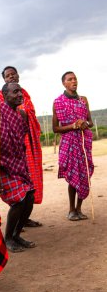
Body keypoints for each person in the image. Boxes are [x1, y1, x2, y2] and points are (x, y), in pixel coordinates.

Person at [0, 82, 36, 253]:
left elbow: (21, 143)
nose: (20, 94)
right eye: (15, 92)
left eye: (20, 91)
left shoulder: (21, 114)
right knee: (19, 200)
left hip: (18, 164)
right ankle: (7, 239)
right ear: (5, 95)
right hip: (0, 166)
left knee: (29, 198)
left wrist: (24, 164)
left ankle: (16, 235)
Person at [0, 66, 43, 228]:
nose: (12, 77)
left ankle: (24, 219)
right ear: (4, 80)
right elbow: (0, 122)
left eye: (13, 74)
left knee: (30, 182)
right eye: (8, 76)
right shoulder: (0, 97)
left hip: (28, 142)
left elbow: (30, 115)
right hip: (11, 146)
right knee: (17, 184)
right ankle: (16, 224)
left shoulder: (25, 94)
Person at [52, 71, 94, 221]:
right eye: (70, 79)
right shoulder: (58, 102)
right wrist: (73, 125)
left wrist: (84, 124)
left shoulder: (83, 100)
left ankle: (79, 209)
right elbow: (55, 129)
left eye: (75, 78)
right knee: (73, 175)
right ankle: (71, 210)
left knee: (84, 175)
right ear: (64, 83)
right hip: (69, 143)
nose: (74, 81)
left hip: (83, 142)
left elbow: (90, 122)